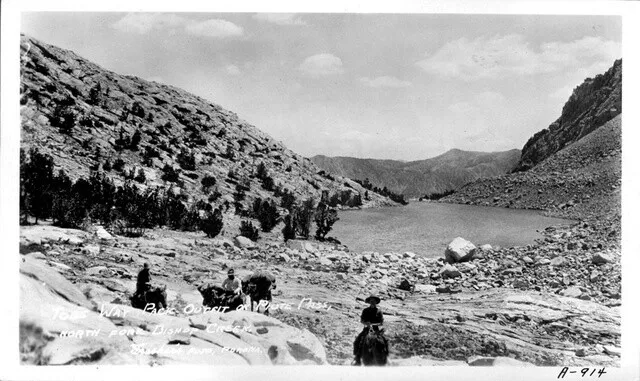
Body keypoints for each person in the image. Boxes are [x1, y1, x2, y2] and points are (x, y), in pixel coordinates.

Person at [353, 295, 384, 365]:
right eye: (371, 301)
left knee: (382, 342)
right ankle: (357, 359)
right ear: (369, 302)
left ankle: (384, 358)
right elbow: (362, 320)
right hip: (366, 329)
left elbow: (381, 323)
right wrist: (366, 323)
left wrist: (374, 324)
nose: (372, 302)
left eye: (374, 301)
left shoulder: (379, 311)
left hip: (376, 330)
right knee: (358, 341)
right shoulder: (365, 310)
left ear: (376, 302)